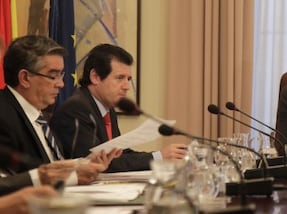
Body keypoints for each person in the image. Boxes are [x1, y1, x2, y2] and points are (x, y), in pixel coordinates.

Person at [0, 35, 121, 195]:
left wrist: (82, 164)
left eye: (61, 75)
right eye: (53, 75)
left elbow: (47, 165)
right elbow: (10, 182)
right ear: (25, 78)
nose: (61, 84)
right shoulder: (4, 114)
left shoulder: (39, 115)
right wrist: (73, 176)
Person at [49, 44, 187, 172]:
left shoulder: (106, 108)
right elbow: (94, 163)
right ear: (95, 77)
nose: (126, 86)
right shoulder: (77, 109)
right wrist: (158, 157)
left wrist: (159, 155)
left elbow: (120, 153)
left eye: (128, 79)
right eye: (120, 78)